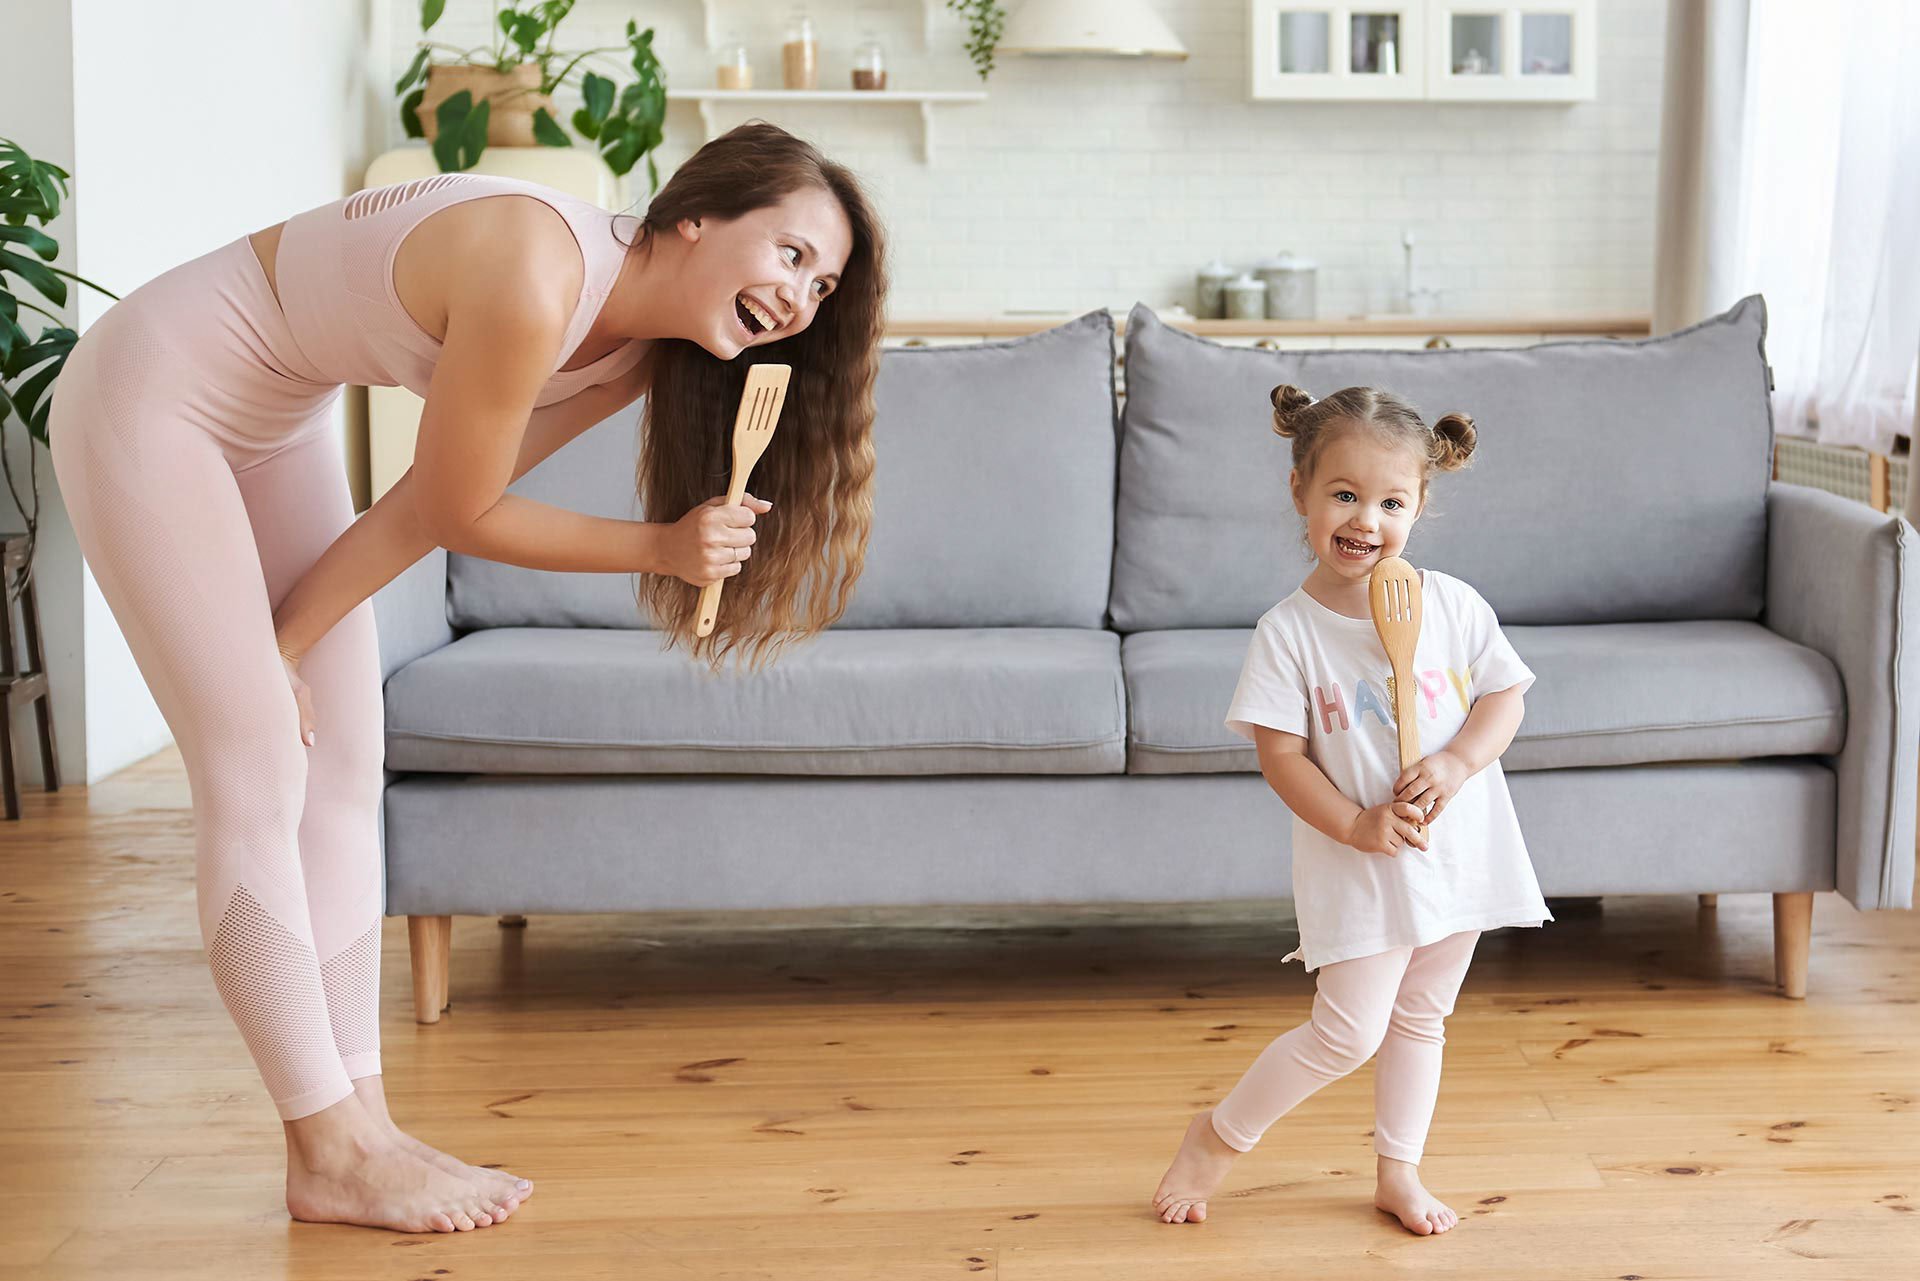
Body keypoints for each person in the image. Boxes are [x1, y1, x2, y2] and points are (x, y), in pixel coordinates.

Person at [47, 120, 887, 1233]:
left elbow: (416, 509)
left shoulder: (629, 354)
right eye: (790, 255)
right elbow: (460, 514)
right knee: (254, 764)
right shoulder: (537, 269)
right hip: (152, 395)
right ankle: (326, 1145)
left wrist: (285, 643)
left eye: (823, 286)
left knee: (343, 756)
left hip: (275, 421)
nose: (802, 299)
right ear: (697, 214)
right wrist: (661, 547)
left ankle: (362, 1129)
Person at [1151, 384, 1551, 1234]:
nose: (1366, 518)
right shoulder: (1288, 632)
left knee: (1423, 1016)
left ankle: (1398, 1171)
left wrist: (1457, 758)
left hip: (1456, 848)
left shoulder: (1450, 604)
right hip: (1358, 861)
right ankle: (1216, 1138)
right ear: (1300, 490)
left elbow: (1505, 699)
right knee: (1345, 1033)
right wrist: (1356, 823)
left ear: (1419, 506)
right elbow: (1281, 755)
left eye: (1390, 501)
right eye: (1345, 494)